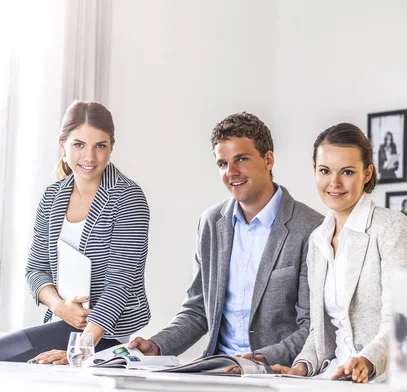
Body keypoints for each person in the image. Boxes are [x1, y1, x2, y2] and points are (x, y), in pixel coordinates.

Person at [129, 112, 323, 366]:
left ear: (268, 159)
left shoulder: (310, 228)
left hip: (277, 373)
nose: (231, 172)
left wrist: (261, 358)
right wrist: (157, 346)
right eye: (222, 164)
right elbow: (198, 311)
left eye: (241, 159)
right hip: (217, 368)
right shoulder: (210, 223)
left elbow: (313, 326)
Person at [0, 101, 151, 366]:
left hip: (104, 332)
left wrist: (80, 350)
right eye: (79, 145)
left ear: (111, 147)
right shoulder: (52, 196)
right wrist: (58, 307)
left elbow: (119, 285)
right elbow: (35, 270)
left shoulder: (127, 198)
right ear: (62, 145)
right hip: (62, 321)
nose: (89, 157)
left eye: (100, 146)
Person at [271, 123, 407, 383]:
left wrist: (368, 361)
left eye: (347, 172)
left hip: (381, 382)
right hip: (332, 379)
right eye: (325, 171)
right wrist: (302, 367)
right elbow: (320, 330)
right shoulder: (318, 240)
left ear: (367, 173)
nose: (334, 183)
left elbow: (402, 319)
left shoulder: (392, 228)